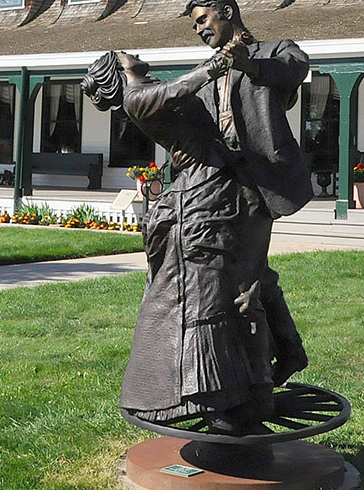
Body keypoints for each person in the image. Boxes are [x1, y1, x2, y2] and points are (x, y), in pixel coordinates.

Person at [82, 49, 281, 432]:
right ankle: (216, 391)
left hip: (222, 179)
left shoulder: (148, 89)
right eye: (124, 54)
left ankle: (265, 369)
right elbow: (181, 88)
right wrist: (215, 66)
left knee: (248, 275)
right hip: (203, 188)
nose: (133, 52)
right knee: (207, 291)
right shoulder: (136, 98)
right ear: (117, 70)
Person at [184, 0, 312, 383]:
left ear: (227, 12)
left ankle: (257, 381)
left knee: (245, 277)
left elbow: (295, 69)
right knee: (248, 270)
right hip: (220, 182)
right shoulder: (208, 68)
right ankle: (288, 350)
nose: (199, 30)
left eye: (203, 20)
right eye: (194, 25)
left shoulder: (274, 51)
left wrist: (250, 66)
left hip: (257, 179)